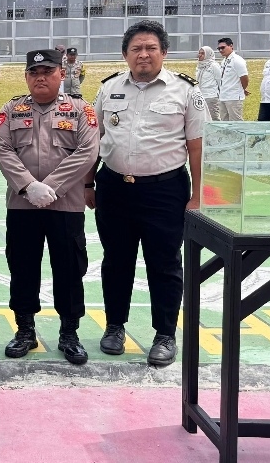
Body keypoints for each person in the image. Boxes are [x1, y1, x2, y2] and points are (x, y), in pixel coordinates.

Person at [88, 20, 207, 367]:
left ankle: (165, 334)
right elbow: (94, 140)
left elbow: (198, 148)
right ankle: (114, 326)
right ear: (125, 54)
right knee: (115, 260)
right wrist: (87, 182)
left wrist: (198, 196)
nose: (143, 54)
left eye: (151, 48)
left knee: (165, 263)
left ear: (164, 52)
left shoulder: (186, 91)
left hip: (165, 191)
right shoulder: (108, 88)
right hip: (114, 188)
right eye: (136, 49)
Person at [0, 49, 99, 365]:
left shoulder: (80, 110)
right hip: (22, 204)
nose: (40, 78)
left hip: (65, 205)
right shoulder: (11, 110)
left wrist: (50, 186)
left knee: (69, 268)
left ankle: (69, 333)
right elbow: (3, 148)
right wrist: (29, 186)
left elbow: (88, 151)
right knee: (22, 266)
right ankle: (25, 330)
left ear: (61, 74)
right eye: (34, 73)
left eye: (48, 72)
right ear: (26, 77)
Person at [217, 37, 248, 120]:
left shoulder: (237, 60)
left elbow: (244, 77)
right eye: (219, 48)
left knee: (236, 122)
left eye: (223, 47)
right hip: (223, 96)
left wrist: (243, 88)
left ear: (231, 46)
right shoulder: (224, 61)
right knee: (224, 122)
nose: (220, 50)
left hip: (233, 97)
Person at [195, 46, 222, 121]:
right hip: (200, 96)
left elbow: (220, 81)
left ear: (208, 54)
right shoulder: (200, 66)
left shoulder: (214, 65)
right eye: (199, 53)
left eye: (202, 53)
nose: (200, 55)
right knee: (203, 119)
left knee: (213, 119)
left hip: (211, 96)